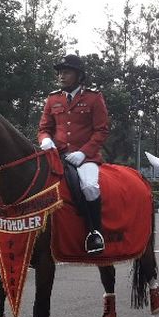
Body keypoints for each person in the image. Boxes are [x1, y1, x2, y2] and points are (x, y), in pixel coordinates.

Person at [38, 54, 110, 255]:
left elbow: (101, 130)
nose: (61, 75)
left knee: (89, 187)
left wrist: (83, 153)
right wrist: (45, 139)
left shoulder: (94, 98)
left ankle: (95, 233)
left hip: (85, 158)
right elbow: (44, 127)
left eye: (66, 72)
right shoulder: (53, 98)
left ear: (79, 76)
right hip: (57, 156)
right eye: (60, 72)